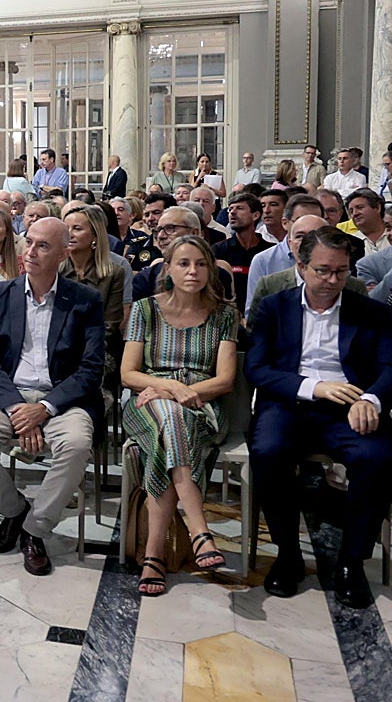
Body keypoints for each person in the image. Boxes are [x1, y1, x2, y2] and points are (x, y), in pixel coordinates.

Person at [246, 227, 392, 609]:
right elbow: (257, 369)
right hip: (290, 402)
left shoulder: (370, 311)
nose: (332, 281)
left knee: (376, 458)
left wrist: (373, 399)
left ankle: (351, 562)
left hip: (350, 405)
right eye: (323, 271)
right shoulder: (275, 307)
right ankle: (288, 553)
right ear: (302, 265)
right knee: (268, 451)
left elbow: (389, 366)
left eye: (341, 272)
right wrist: (314, 386)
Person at [0, 219, 104, 575]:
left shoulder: (85, 300)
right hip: (8, 395)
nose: (30, 252)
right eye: (29, 243)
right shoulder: (1, 295)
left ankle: (34, 530)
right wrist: (18, 408)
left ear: (64, 254)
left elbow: (91, 369)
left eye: (43, 246)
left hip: (62, 400)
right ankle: (15, 510)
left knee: (76, 444)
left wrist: (44, 409)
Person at [121, 236, 240, 596]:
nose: (193, 271)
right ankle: (199, 529)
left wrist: (180, 392)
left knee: (167, 437)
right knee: (169, 417)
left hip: (203, 407)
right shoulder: (145, 310)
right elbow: (128, 374)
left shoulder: (224, 314)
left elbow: (225, 380)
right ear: (167, 269)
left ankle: (154, 554)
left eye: (201, 264)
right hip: (147, 405)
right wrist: (171, 389)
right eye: (184, 263)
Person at [251, 215, 367, 317]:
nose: (306, 243)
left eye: (315, 237)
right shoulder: (270, 286)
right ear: (290, 244)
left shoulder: (354, 287)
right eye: (300, 236)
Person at [244, 194, 324, 315]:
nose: (309, 227)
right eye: (300, 220)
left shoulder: (334, 261)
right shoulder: (263, 260)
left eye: (314, 221)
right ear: (285, 223)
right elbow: (253, 314)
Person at [61, 204, 126, 351]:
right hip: (57, 347)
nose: (69, 234)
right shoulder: (54, 271)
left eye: (77, 229)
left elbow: (109, 325)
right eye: (66, 229)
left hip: (97, 348)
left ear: (95, 235)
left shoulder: (114, 273)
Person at [346, 188, 390, 255]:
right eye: (351, 211)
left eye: (360, 207)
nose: (355, 213)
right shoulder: (350, 242)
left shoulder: (390, 234)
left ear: (378, 208)